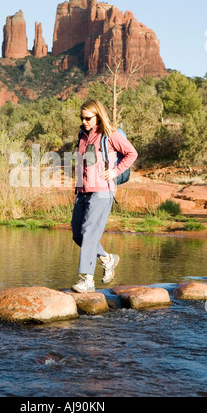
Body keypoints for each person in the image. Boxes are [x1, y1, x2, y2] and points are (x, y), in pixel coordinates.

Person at [71, 99, 138, 293]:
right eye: (82, 118)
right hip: (83, 191)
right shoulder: (82, 135)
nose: (84, 121)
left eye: (88, 118)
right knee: (78, 234)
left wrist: (116, 171)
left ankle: (87, 280)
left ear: (98, 116)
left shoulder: (111, 135)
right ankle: (108, 259)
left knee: (90, 232)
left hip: (102, 191)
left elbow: (131, 153)